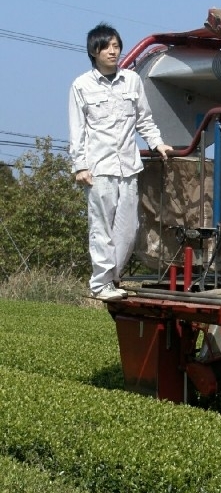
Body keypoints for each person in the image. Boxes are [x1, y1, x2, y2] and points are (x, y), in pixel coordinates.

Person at [69, 23, 173, 301]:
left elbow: (144, 119)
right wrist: (79, 165)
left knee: (129, 229)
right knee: (101, 228)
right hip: (98, 169)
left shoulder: (132, 81)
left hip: (128, 166)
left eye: (116, 46)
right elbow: (77, 129)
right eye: (107, 47)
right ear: (94, 51)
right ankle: (100, 283)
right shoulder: (81, 85)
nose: (113, 51)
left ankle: (112, 278)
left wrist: (157, 143)